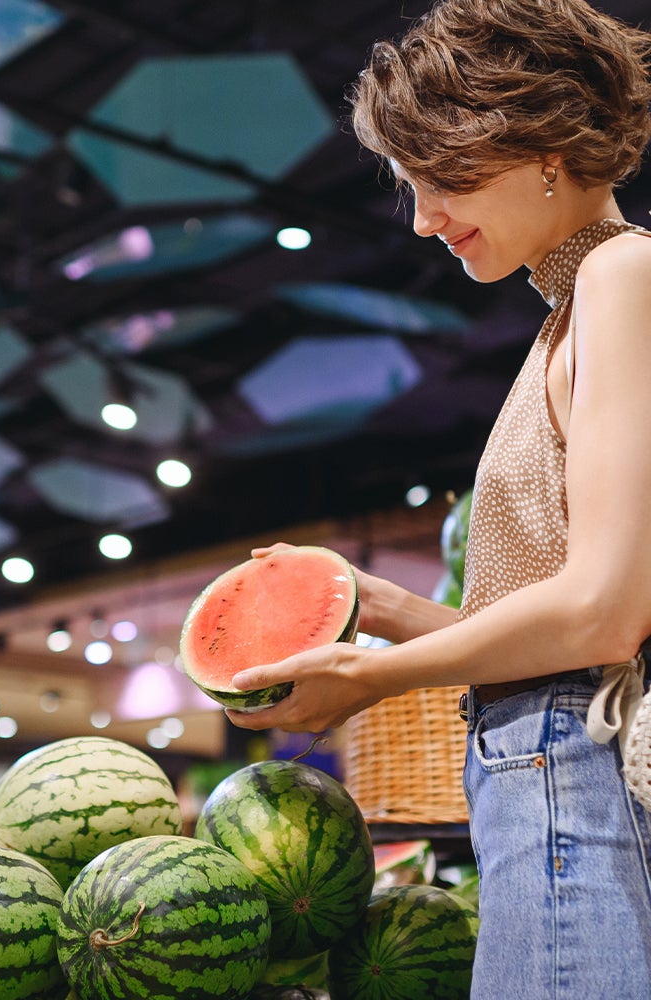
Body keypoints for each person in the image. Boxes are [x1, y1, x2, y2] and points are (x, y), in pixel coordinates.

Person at [224, 0, 651, 993]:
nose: (419, 217)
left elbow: (599, 614)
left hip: (566, 781)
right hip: (542, 773)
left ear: (535, 141)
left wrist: (375, 676)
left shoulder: (621, 275)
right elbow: (547, 623)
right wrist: (371, 608)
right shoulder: (572, 310)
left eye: (435, 175)